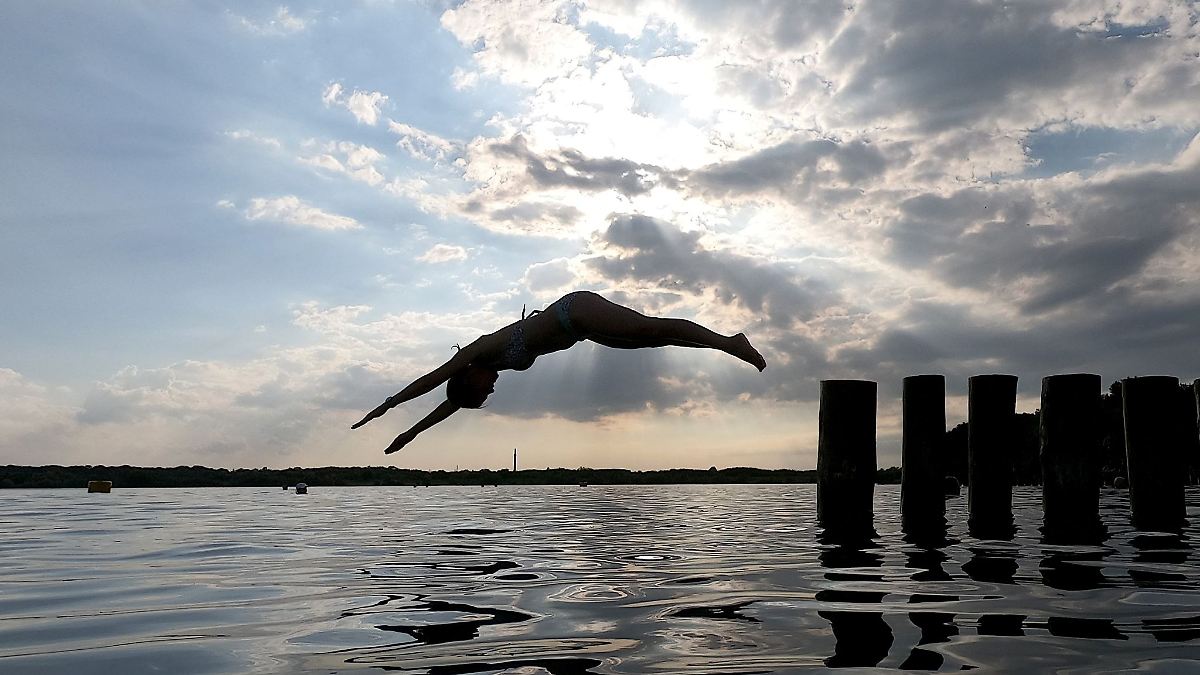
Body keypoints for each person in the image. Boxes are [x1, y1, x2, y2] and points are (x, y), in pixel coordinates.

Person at [351, 290, 766, 453]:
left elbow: (433, 382)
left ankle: (731, 342)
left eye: (482, 393)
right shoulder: (486, 368)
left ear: (468, 378)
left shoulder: (480, 352)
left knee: (648, 328)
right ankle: (727, 344)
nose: (491, 391)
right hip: (581, 329)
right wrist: (411, 434)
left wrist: (386, 406)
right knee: (652, 339)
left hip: (574, 311)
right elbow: (450, 406)